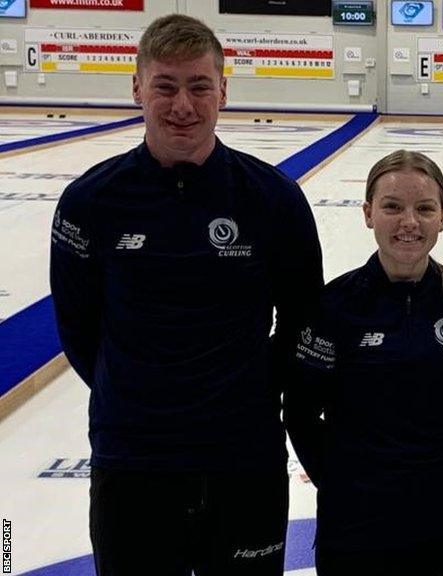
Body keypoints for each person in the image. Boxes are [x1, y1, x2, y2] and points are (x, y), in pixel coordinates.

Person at [49, 14, 323, 576]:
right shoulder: (90, 202)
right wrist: (139, 392)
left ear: (223, 90)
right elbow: (78, 329)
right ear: (136, 88)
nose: (183, 105)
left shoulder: (272, 199)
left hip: (241, 457)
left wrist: (246, 393)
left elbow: (302, 322)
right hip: (133, 458)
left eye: (199, 86)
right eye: (165, 86)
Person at [285, 150, 443, 576]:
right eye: (392, 207)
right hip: (355, 526)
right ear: (369, 213)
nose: (410, 221)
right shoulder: (335, 306)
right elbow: (299, 411)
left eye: (425, 208)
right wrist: (343, 481)